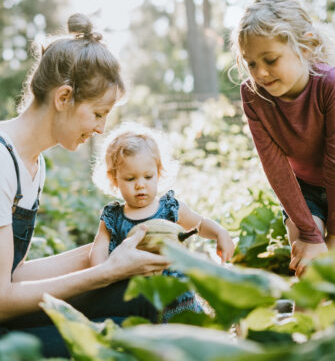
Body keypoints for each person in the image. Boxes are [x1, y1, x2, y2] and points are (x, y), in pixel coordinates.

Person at [0, 14, 171, 360]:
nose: (101, 129)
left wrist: (106, 250)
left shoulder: (31, 163)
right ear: (64, 97)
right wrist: (105, 272)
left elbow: (12, 274)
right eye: (98, 113)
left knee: (141, 296)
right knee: (121, 340)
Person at [230, 0, 335, 277]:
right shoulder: (253, 95)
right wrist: (310, 235)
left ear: (306, 46)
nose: (260, 73)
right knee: (310, 271)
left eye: (270, 60)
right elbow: (275, 168)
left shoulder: (332, 84)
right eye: (251, 64)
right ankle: (306, 322)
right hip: (302, 190)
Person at [89, 123, 235, 320]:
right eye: (130, 179)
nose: (140, 184)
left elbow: (199, 223)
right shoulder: (113, 217)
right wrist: (102, 275)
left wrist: (219, 233)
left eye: (148, 176)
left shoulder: (169, 208)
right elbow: (98, 249)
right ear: (114, 179)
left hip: (178, 298)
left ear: (159, 172)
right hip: (137, 300)